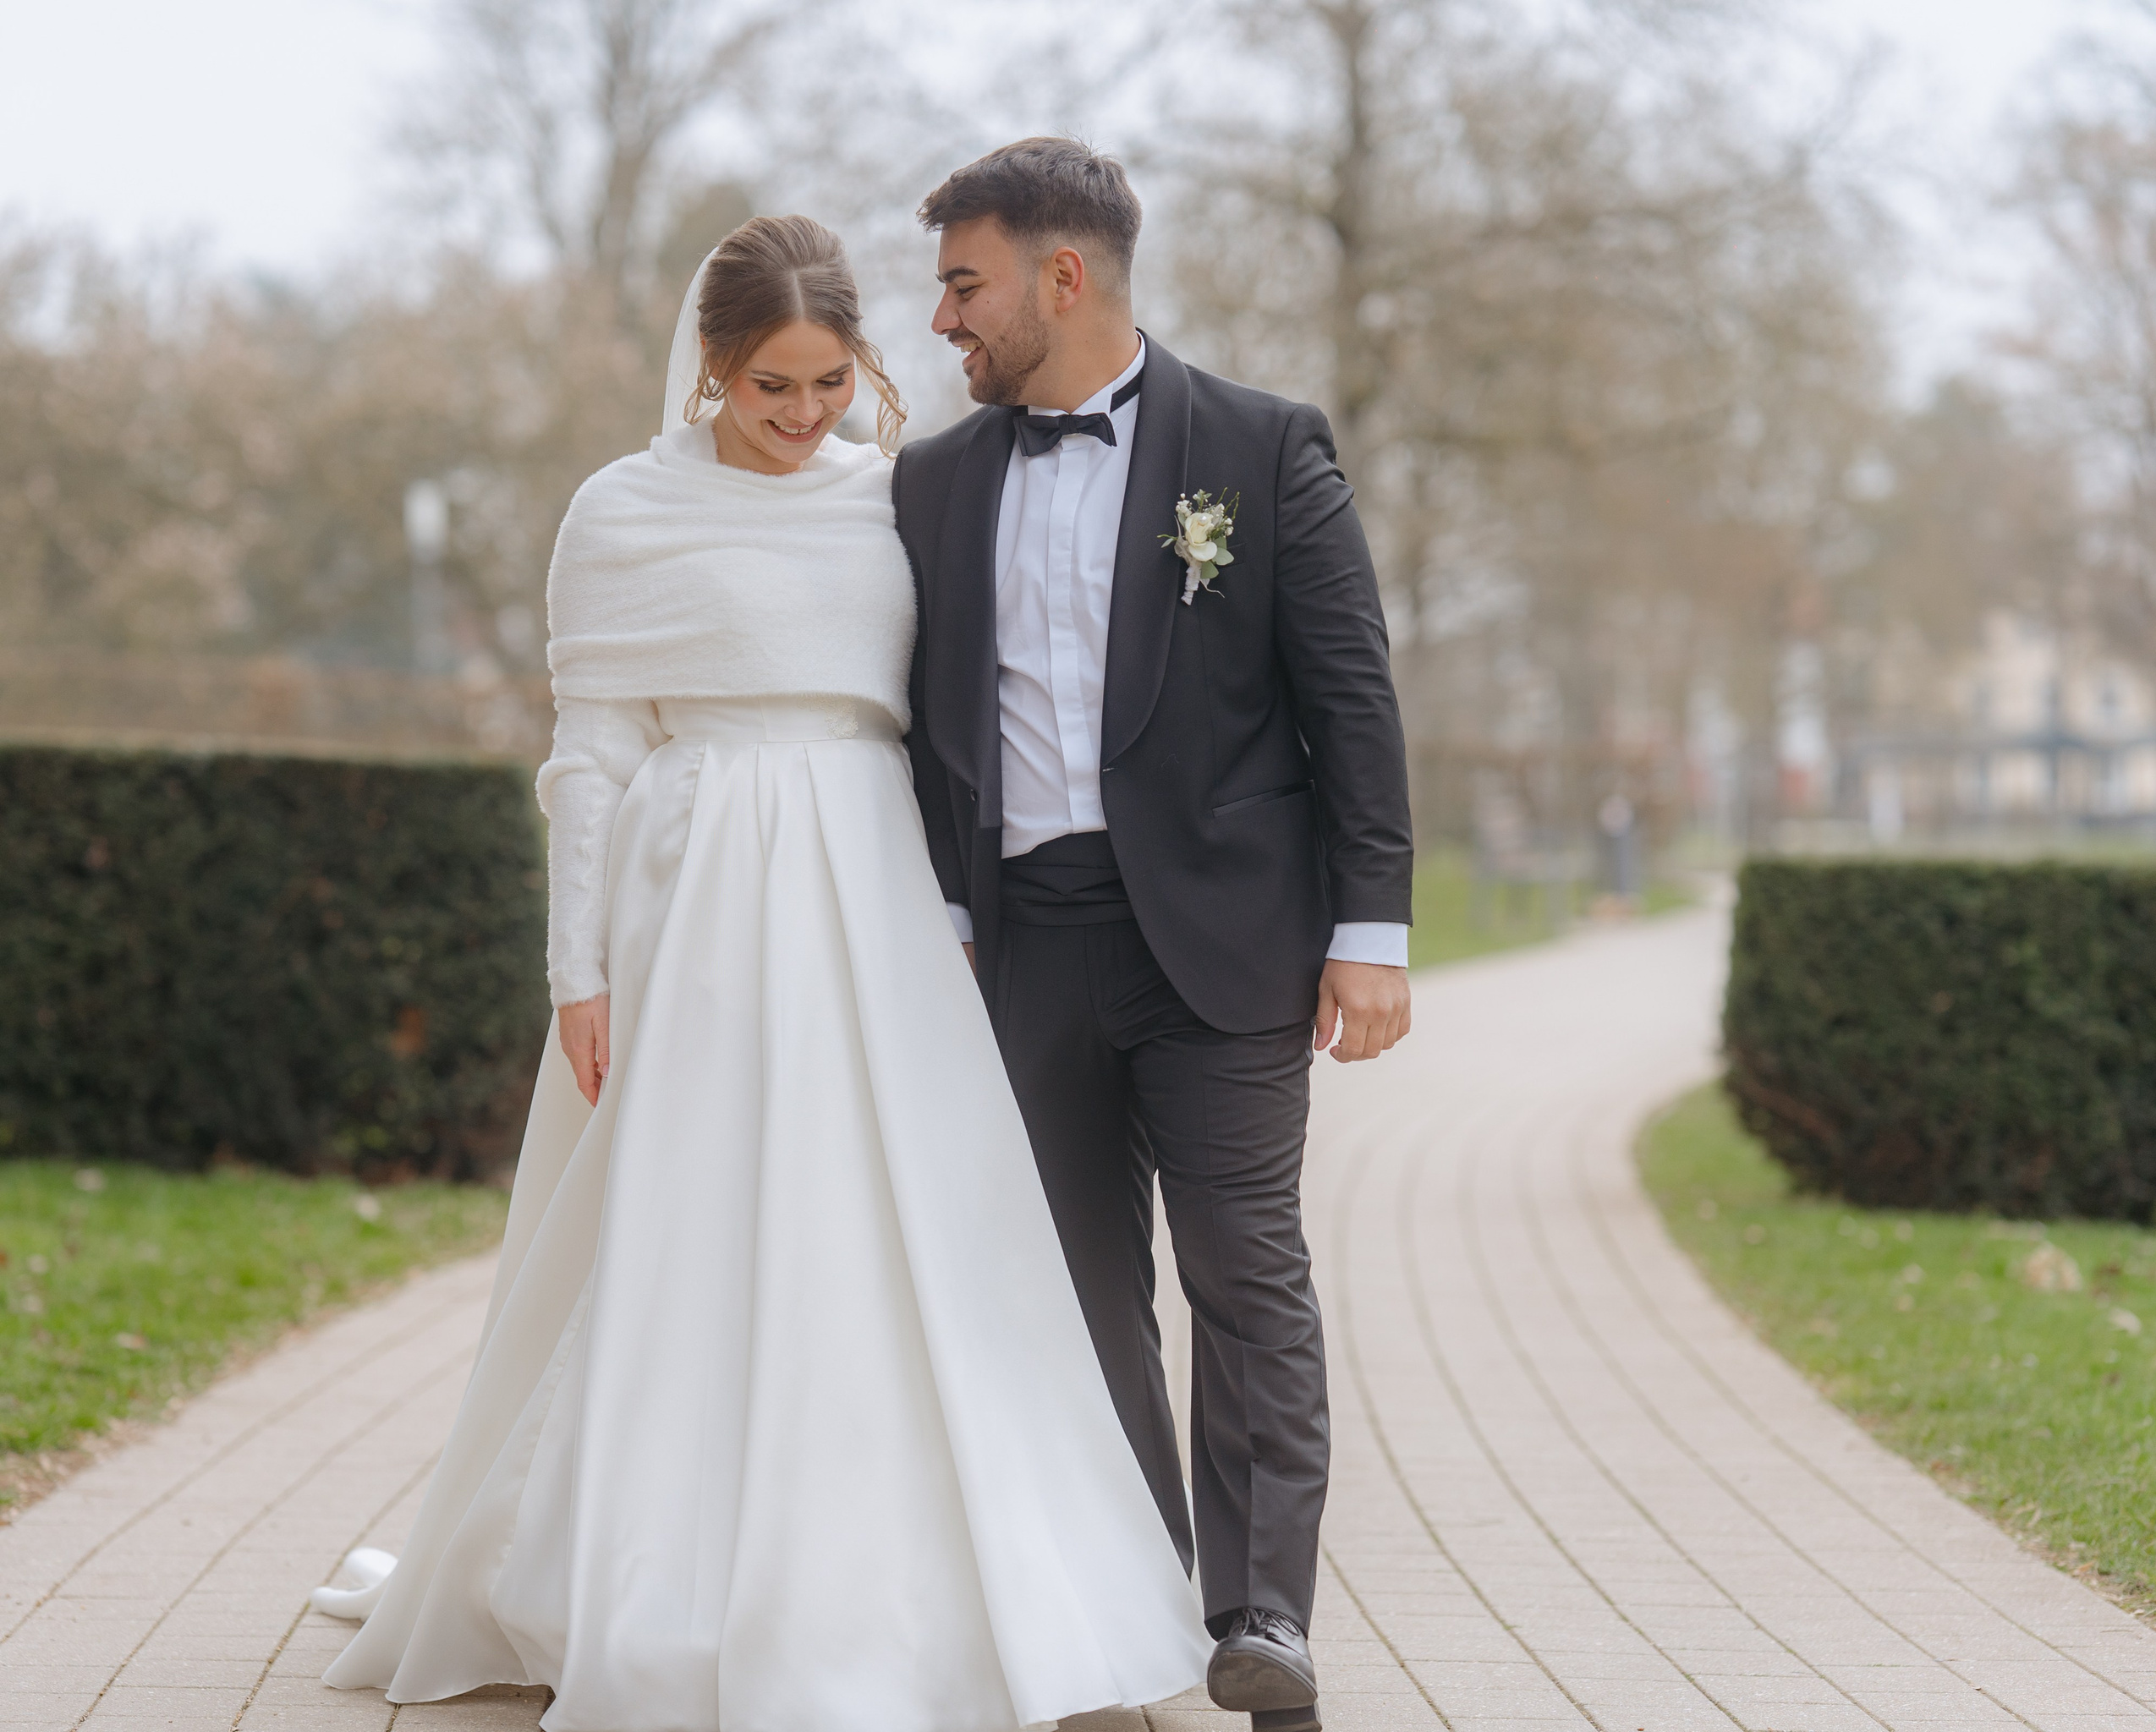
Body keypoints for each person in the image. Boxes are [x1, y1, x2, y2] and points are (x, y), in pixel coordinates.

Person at [307, 214, 1210, 1732]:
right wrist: (575, 967)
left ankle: (918, 1578)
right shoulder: (617, 513)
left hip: (870, 886)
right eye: (770, 388)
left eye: (827, 384)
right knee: (700, 1218)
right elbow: (590, 751)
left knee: (888, 1217)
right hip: (697, 891)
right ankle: (655, 1566)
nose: (803, 419)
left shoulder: (901, 497)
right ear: (709, 370)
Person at [895, 140, 1416, 1732]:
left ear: (1065, 276)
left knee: (1245, 1273)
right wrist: (946, 920)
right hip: (1028, 944)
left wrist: (1373, 929)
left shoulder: (1260, 453)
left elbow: (1353, 701)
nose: (942, 321)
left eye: (963, 283)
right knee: (1071, 1290)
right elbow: (919, 734)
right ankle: (1125, 1602)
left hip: (1227, 947)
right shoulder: (929, 483)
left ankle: (1266, 1619)